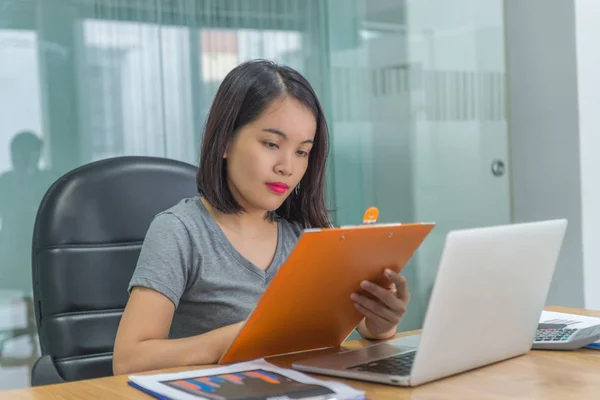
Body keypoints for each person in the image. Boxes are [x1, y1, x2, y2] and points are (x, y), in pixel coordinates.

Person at [112, 59, 411, 375]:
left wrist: (380, 323)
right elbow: (129, 359)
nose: (287, 166)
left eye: (302, 152)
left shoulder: (309, 234)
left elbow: (362, 332)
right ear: (226, 141)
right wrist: (232, 341)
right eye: (271, 144)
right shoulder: (180, 231)